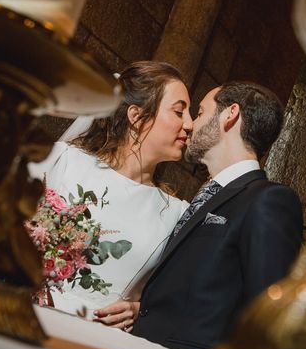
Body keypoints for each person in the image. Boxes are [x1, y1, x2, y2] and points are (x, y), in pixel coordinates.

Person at [130, 81, 303, 349]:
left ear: (230, 114)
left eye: (200, 112)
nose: (190, 125)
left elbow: (266, 312)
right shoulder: (208, 195)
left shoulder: (268, 200)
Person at [28, 61, 191, 329]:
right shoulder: (63, 160)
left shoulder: (176, 213)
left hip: (101, 339)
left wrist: (142, 310)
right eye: (179, 112)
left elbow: (175, 295)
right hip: (30, 312)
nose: (190, 124)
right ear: (137, 117)